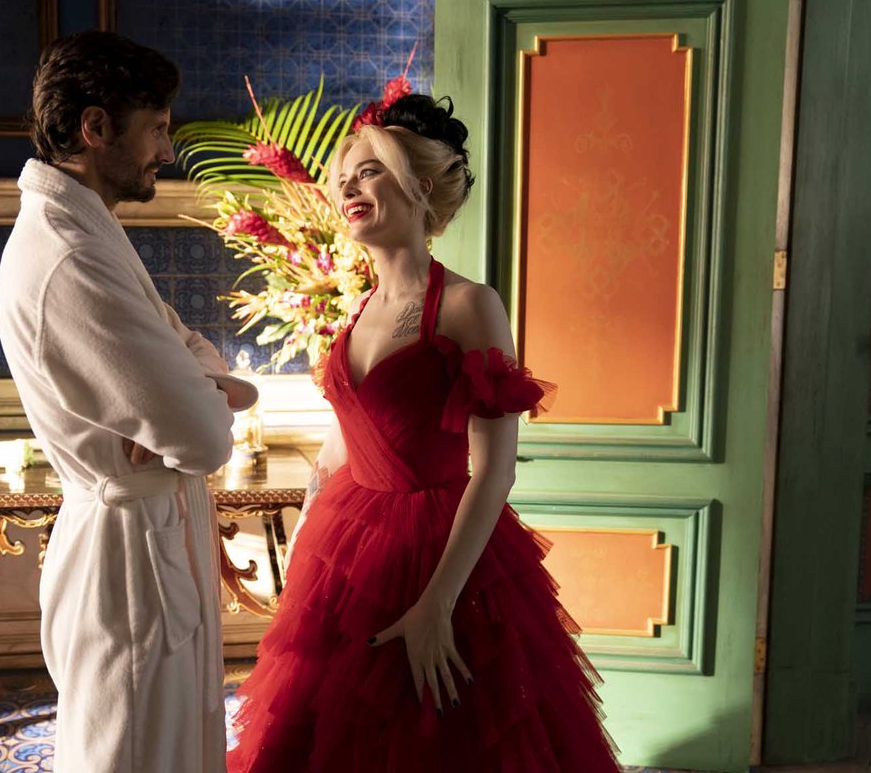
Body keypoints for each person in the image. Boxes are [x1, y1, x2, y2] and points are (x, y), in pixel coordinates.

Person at [226, 94, 620, 772]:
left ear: (421, 185)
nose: (348, 188)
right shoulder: (359, 309)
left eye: (369, 171)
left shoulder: (470, 304)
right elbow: (346, 436)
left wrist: (439, 601)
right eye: (342, 177)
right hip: (345, 544)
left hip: (439, 548)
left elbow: (494, 468)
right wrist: (311, 528)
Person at [0, 31, 255, 773]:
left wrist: (198, 380)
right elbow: (204, 437)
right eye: (157, 128)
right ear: (96, 127)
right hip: (128, 563)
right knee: (130, 755)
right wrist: (201, 396)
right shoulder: (70, 254)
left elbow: (194, 352)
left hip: (150, 537)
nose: (167, 152)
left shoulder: (88, 228)